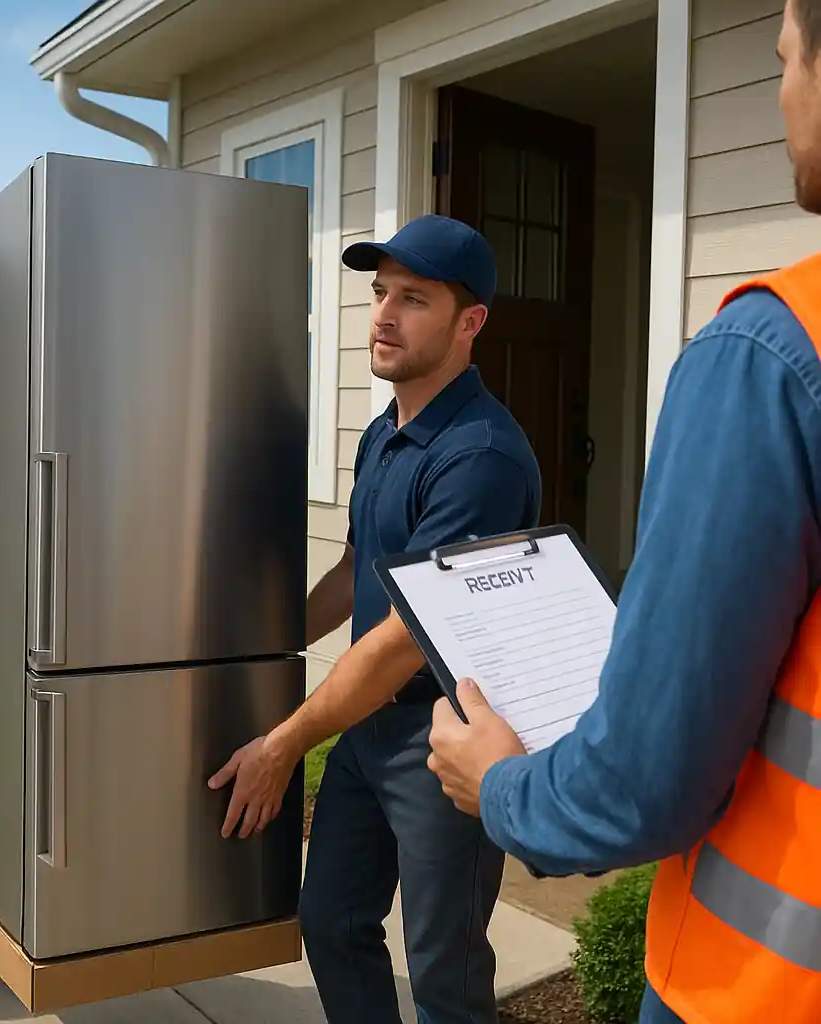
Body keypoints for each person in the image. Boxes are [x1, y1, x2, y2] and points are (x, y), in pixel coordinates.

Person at [426, 2, 821, 1022]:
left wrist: (504, 786)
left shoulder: (772, 356)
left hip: (761, 989)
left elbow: (645, 779)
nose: (780, 93)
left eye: (783, 60)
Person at [208, 214, 542, 1023]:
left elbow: (400, 641)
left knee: (445, 974)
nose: (385, 316)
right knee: (331, 923)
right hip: (366, 735)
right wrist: (263, 638)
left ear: (471, 323)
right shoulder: (382, 436)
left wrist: (285, 742)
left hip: (443, 742)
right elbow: (358, 567)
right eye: (380, 293)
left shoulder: (479, 457)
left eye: (414, 299)